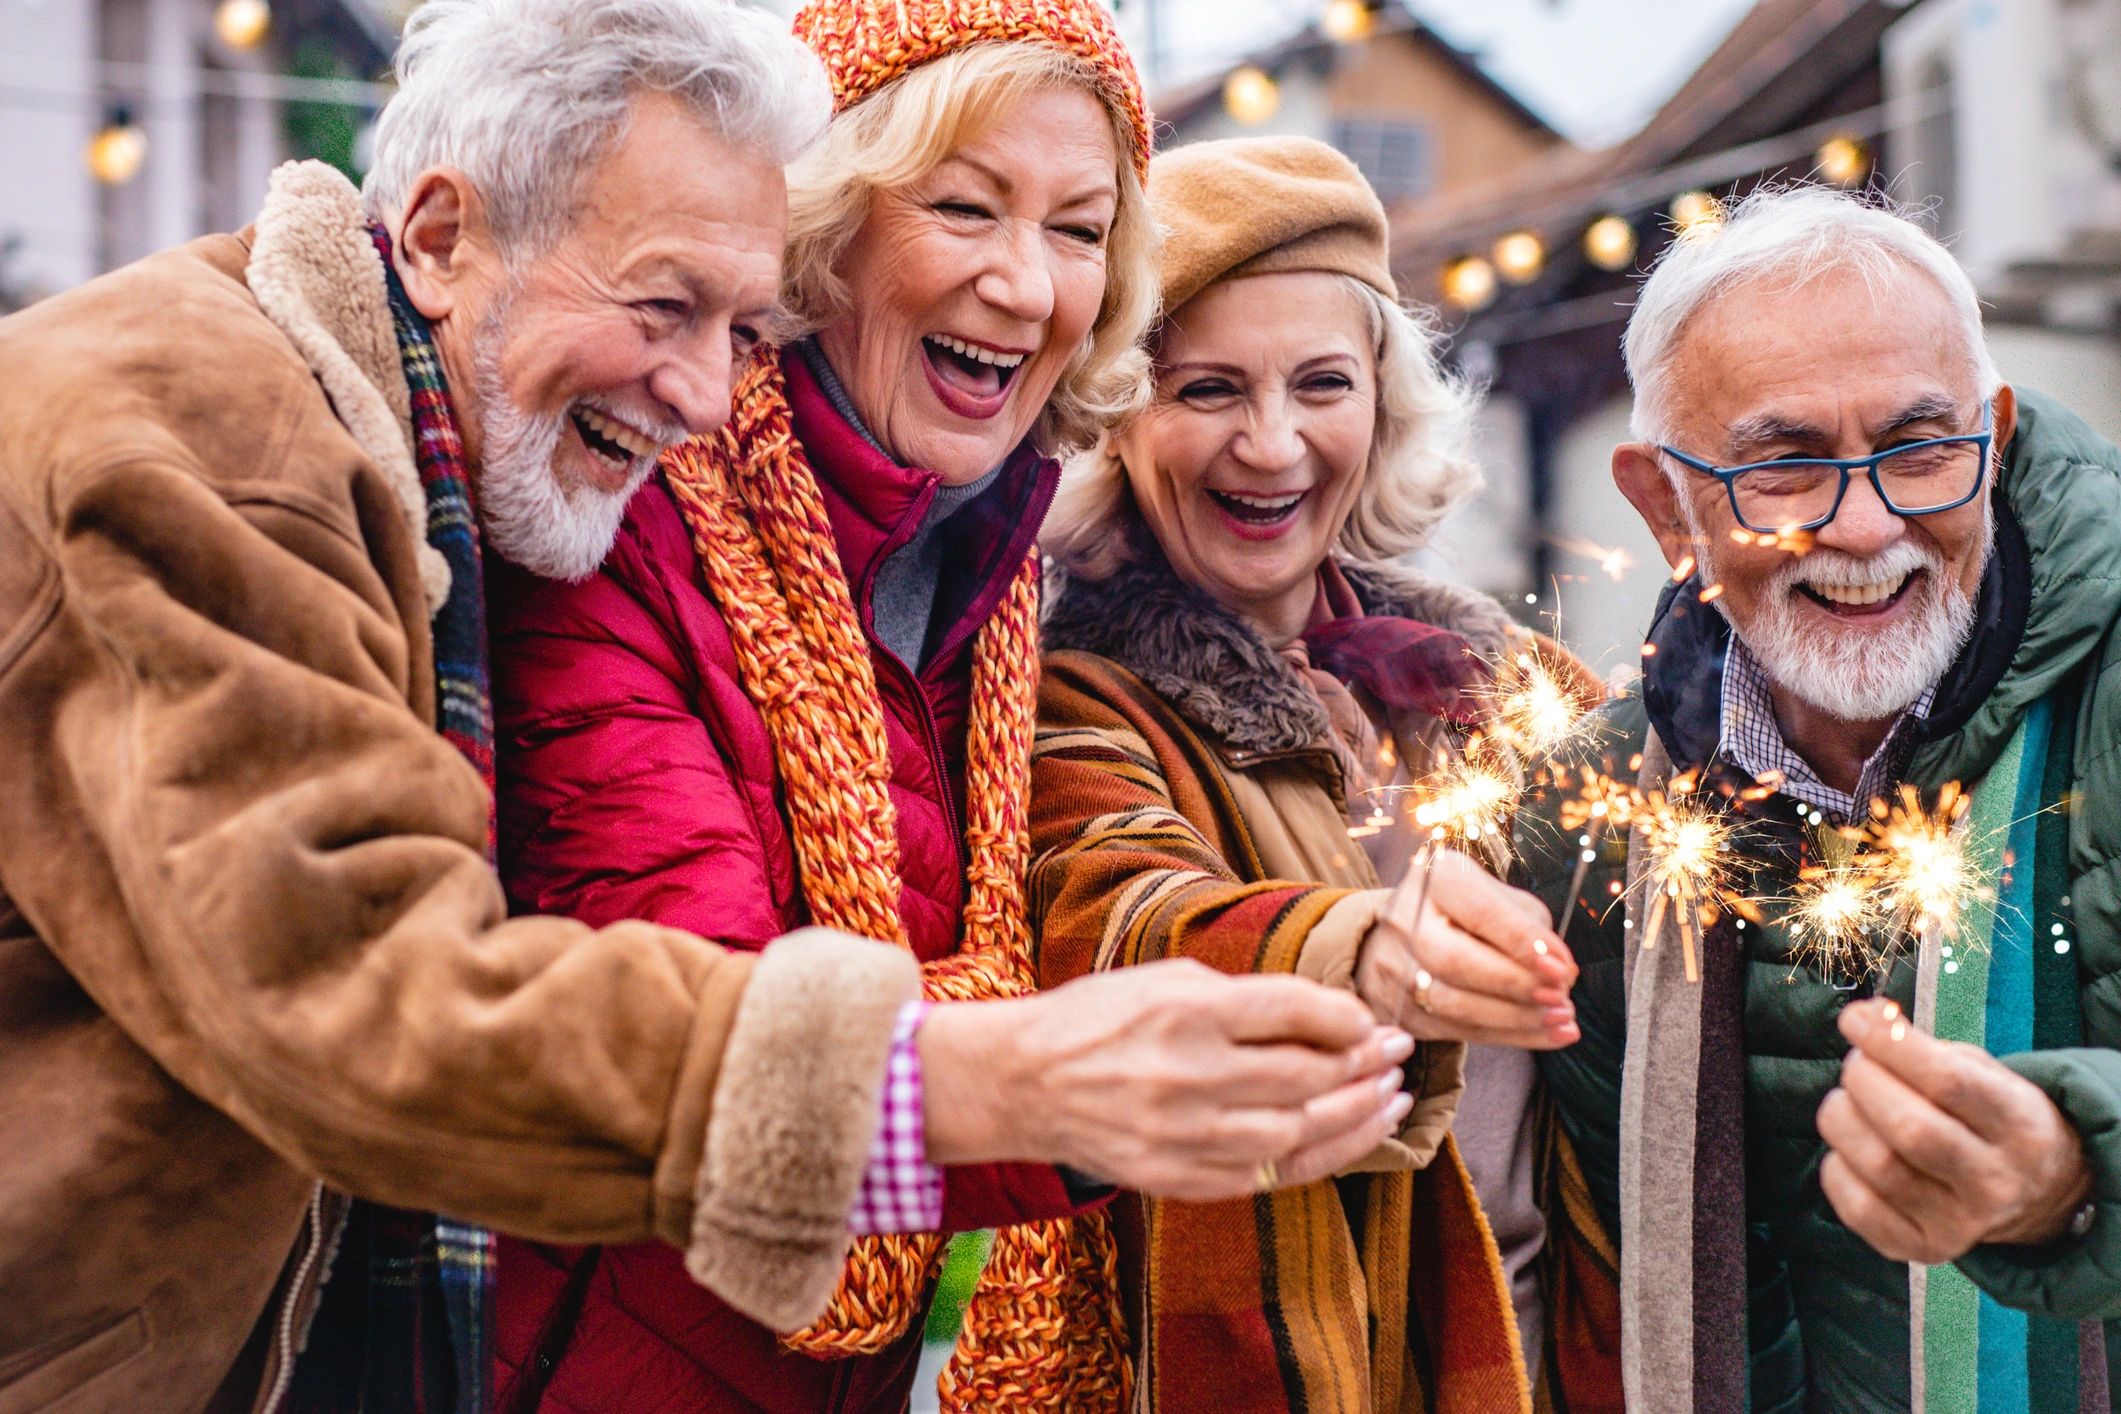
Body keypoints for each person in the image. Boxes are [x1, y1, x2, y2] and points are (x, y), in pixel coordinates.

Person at [0, 1, 1416, 1408]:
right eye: (663, 304)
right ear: (438, 237)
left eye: (744, 328)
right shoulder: (196, 445)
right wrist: (1004, 1081)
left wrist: (1309, 972)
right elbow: (364, 989)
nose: (698, 397)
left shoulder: (500, 458)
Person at [477, 4, 1410, 1411]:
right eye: (965, 208)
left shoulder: (992, 589)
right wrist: (1084, 1091)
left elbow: (1090, 892)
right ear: (825, 221)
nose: (1027, 287)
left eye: (1080, 231)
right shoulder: (627, 509)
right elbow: (706, 1038)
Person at [1033, 136, 1620, 1413]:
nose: (1272, 442)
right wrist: (1358, 948)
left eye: (1320, 383)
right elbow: (1120, 921)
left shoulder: (1503, 686)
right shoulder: (1067, 698)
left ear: (1381, 402)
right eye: (1204, 390)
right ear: (1117, 413)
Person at [1514, 185, 2121, 1413]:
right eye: (1783, 466)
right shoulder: (1579, 817)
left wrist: (2080, 1171)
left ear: (1994, 436)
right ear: (1663, 507)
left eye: (1922, 444)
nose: (1865, 523)